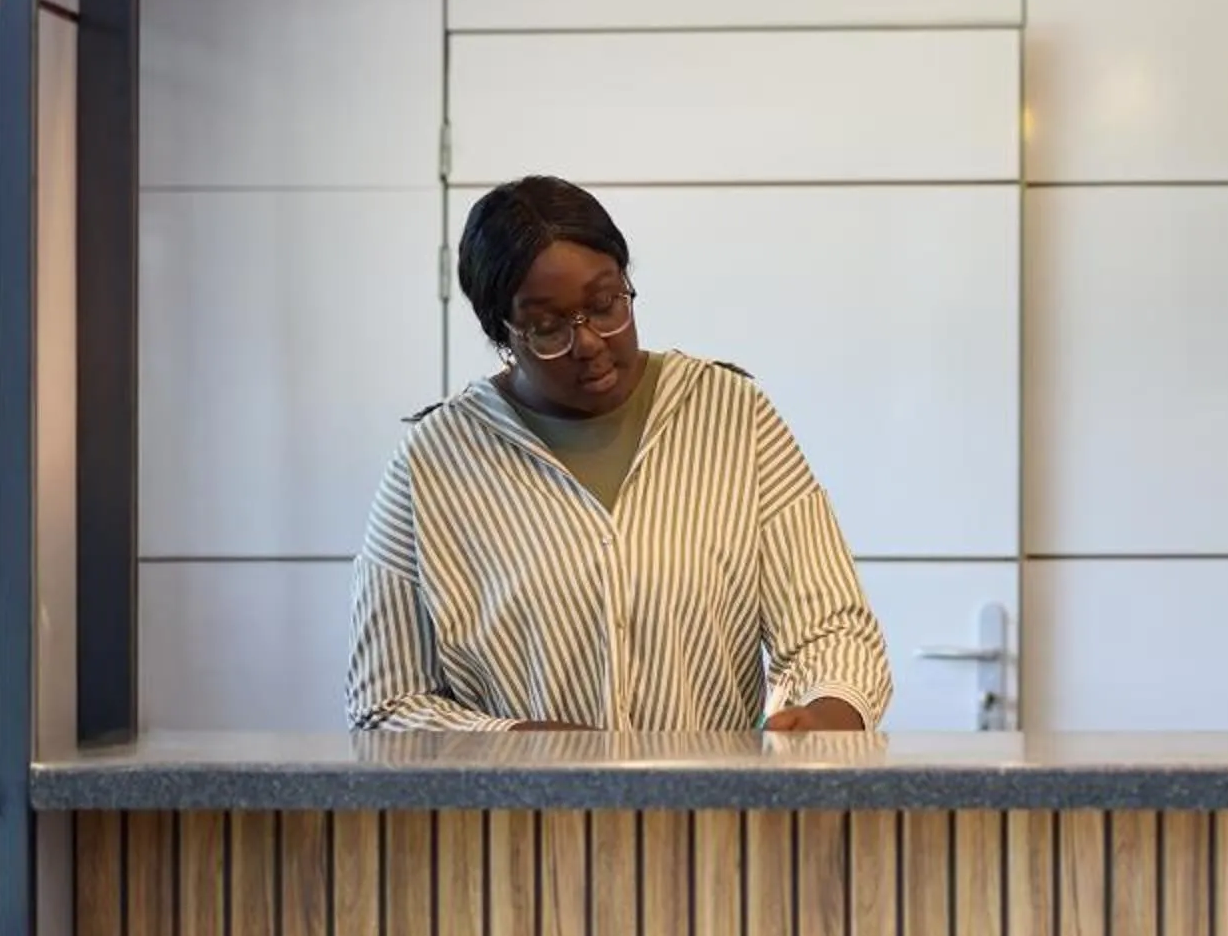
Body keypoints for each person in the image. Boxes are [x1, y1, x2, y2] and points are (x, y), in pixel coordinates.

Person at [347, 175, 892, 733]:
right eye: (547, 327)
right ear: (502, 332)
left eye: (605, 304)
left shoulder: (733, 415)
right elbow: (386, 704)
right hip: (524, 818)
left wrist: (830, 708)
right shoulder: (431, 464)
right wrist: (519, 744)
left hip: (706, 813)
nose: (588, 342)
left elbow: (830, 627)